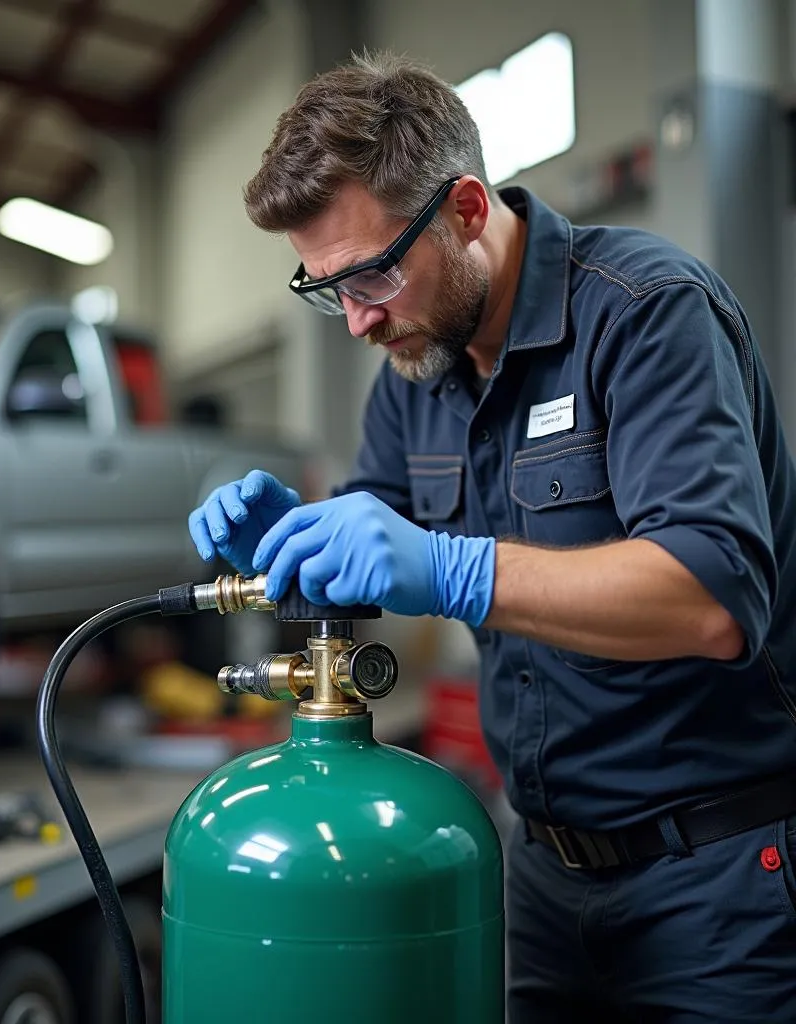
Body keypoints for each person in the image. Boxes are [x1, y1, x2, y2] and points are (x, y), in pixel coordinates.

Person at [187, 50, 796, 1022]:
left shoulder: (643, 314)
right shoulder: (414, 374)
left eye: (371, 274)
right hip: (539, 874)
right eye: (323, 288)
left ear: (466, 209)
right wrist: (288, 549)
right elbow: (368, 557)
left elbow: (714, 596)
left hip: (713, 881)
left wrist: (454, 568)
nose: (355, 321)